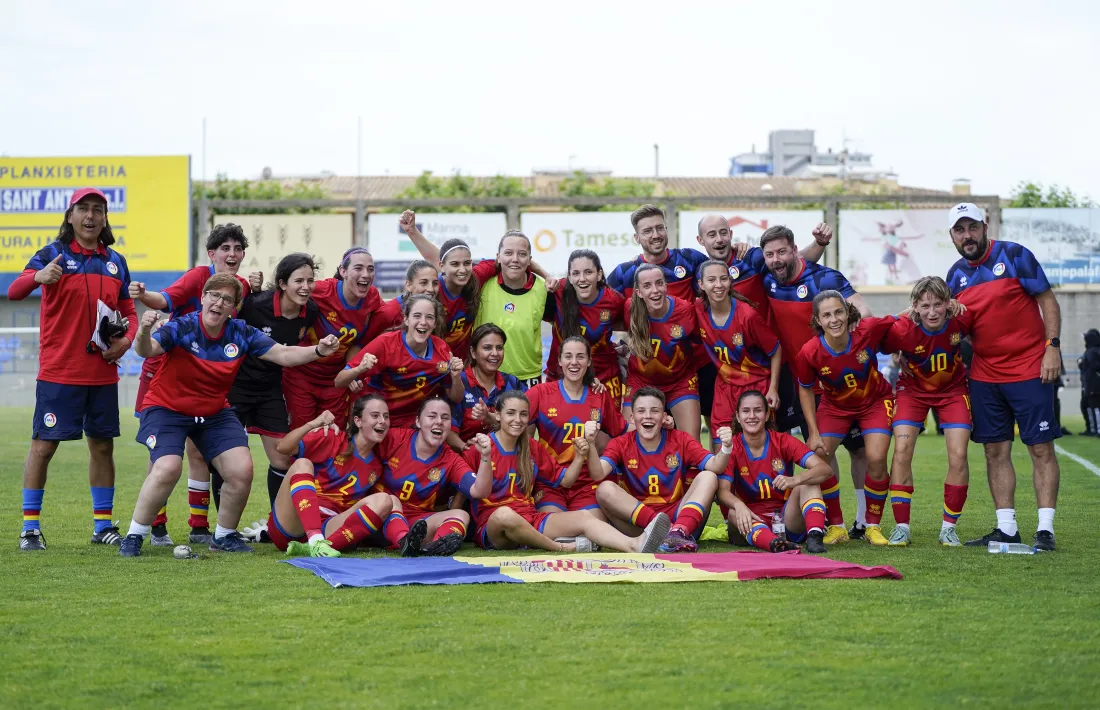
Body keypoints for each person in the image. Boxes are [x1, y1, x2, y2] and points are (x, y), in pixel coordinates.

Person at [119, 274, 340, 557]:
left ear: (234, 308)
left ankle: (223, 535)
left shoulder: (241, 332)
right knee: (168, 467)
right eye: (214, 295)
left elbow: (283, 355)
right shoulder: (183, 326)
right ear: (203, 298)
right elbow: (147, 349)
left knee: (241, 469)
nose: (219, 303)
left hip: (213, 412)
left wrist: (318, 350)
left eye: (227, 299)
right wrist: (143, 331)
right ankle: (134, 535)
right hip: (166, 408)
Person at [9, 188, 138, 551]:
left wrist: (126, 342)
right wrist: (38, 277)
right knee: (43, 447)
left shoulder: (116, 261)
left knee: (102, 447)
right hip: (59, 372)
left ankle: (102, 526)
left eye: (98, 210)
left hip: (102, 373)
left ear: (105, 218)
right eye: (83, 209)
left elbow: (129, 312)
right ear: (70, 216)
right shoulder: (51, 254)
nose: (91, 216)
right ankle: (30, 529)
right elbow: (15, 291)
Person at [129, 223, 261, 545]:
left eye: (237, 248)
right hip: (164, 368)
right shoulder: (197, 276)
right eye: (225, 248)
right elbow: (164, 299)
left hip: (206, 376)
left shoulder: (242, 286)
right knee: (162, 454)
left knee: (199, 450)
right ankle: (155, 525)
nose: (232, 254)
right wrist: (143, 295)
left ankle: (199, 527)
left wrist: (258, 287)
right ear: (211, 254)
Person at [945, 202, 1062, 551]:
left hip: (1030, 368)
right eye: (959, 230)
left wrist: (1052, 347)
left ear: (985, 226)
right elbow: (956, 325)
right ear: (952, 236)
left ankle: (1045, 529)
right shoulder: (954, 276)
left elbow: (1048, 301)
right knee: (995, 450)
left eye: (972, 227)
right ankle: (1006, 528)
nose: (967, 235)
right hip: (985, 375)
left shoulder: (1014, 255)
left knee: (1040, 448)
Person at [761, 224, 872, 543]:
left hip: (840, 381)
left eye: (782, 251)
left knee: (859, 450)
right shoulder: (768, 279)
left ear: (795, 250)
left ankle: (863, 521)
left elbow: (863, 312)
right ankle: (834, 524)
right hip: (804, 384)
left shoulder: (825, 279)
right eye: (770, 254)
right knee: (821, 452)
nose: (776, 259)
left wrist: (847, 348)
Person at [461, 391, 670, 553]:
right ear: (497, 415)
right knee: (504, 514)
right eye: (511, 413)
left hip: (530, 519)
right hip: (493, 527)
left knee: (584, 517)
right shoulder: (479, 448)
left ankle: (634, 544)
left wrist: (579, 456)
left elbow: (566, 480)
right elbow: (463, 490)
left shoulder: (532, 447)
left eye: (523, 414)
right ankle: (561, 547)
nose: (518, 419)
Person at [693, 215, 830, 440]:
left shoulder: (751, 258)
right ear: (701, 240)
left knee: (776, 432)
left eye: (723, 233)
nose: (719, 239)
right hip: (729, 370)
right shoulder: (698, 269)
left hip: (770, 362)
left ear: (731, 234)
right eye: (712, 235)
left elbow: (796, 261)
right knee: (723, 434)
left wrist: (820, 243)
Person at [229, 253, 321, 541]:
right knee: (229, 459)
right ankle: (224, 530)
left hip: (270, 389)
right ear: (282, 283)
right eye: (298, 281)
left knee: (282, 458)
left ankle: (276, 526)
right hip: (235, 386)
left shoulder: (311, 311)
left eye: (310, 280)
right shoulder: (256, 304)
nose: (305, 287)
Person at [794, 290, 897, 546]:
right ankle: (836, 526)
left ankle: (872, 526)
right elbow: (805, 389)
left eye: (839, 312)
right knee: (819, 457)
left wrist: (931, 307)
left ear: (847, 312)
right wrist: (813, 432)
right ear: (818, 320)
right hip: (835, 407)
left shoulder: (867, 330)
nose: (834, 320)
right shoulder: (809, 352)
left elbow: (900, 318)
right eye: (827, 315)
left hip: (875, 402)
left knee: (876, 457)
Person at [269, 397, 427, 558]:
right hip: (294, 523)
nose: (382, 421)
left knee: (387, 500)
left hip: (330, 526)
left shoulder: (377, 465)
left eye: (386, 416)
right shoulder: (332, 438)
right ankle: (314, 540)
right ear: (358, 421)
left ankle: (404, 542)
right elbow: (283, 447)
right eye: (375, 415)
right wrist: (313, 424)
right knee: (302, 464)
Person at [882, 276, 973, 546]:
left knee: (959, 454)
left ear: (948, 303)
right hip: (912, 392)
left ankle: (949, 528)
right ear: (915, 307)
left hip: (953, 391)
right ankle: (901, 527)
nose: (932, 312)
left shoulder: (962, 318)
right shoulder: (902, 329)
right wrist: (897, 354)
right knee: (901, 450)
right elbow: (876, 338)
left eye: (937, 305)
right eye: (925, 306)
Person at [593, 387, 733, 553]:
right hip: (640, 528)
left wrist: (726, 447)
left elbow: (716, 466)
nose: (648, 416)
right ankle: (667, 533)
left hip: (682, 521)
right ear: (632, 418)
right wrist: (589, 443)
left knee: (709, 476)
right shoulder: (620, 443)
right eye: (641, 411)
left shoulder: (681, 439)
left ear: (664, 417)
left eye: (655, 411)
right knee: (604, 489)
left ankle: (678, 532)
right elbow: (598, 473)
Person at [717, 390, 831, 553]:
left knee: (808, 482)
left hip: (786, 519)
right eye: (746, 411)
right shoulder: (732, 448)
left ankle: (815, 536)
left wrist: (795, 480)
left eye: (758, 410)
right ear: (738, 416)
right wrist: (738, 505)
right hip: (751, 519)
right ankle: (774, 544)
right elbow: (722, 492)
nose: (752, 416)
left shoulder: (782, 441)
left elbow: (825, 469)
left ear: (767, 415)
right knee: (733, 513)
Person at [282, 247, 382, 430]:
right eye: (358, 268)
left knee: (333, 437)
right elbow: (284, 297)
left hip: (335, 381)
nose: (366, 274)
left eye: (370, 269)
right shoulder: (322, 290)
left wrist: (351, 369)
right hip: (301, 376)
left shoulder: (373, 298)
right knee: (301, 436)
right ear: (343, 271)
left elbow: (361, 341)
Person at [528, 336, 629, 516]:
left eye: (580, 356)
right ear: (559, 361)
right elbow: (511, 422)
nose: (574, 362)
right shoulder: (540, 393)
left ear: (589, 361)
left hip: (587, 484)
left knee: (593, 526)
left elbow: (621, 431)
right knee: (557, 525)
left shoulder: (599, 395)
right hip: (551, 483)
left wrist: (661, 423)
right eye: (568, 356)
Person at [336, 295, 465, 427]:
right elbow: (339, 381)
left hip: (414, 423)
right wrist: (359, 369)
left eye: (429, 317)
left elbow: (456, 398)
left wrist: (456, 377)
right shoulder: (385, 344)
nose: (423, 322)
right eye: (417, 316)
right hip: (379, 420)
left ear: (435, 323)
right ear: (406, 319)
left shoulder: (442, 350)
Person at [373, 397, 477, 556]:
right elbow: (361, 443)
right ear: (418, 421)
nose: (439, 422)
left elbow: (477, 491)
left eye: (445, 418)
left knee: (461, 515)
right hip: (381, 519)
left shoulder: (450, 458)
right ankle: (404, 542)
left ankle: (432, 548)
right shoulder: (394, 438)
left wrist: (485, 457)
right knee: (391, 500)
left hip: (417, 526)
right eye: (432, 416)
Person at [695, 260, 781, 432]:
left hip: (756, 384)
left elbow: (776, 349)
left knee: (758, 442)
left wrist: (773, 389)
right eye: (711, 280)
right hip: (725, 386)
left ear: (730, 281)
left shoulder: (747, 316)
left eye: (723, 278)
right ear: (701, 284)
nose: (718, 285)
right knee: (722, 440)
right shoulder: (698, 308)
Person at [623, 264, 702, 438]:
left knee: (691, 441)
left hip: (679, 382)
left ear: (666, 285)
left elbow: (703, 340)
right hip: (640, 381)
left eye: (659, 283)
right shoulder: (630, 308)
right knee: (628, 439)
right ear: (638, 292)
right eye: (647, 286)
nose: (655, 290)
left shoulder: (685, 310)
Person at [544, 249, 628, 407]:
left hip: (604, 376)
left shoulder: (613, 300)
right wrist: (544, 273)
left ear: (599, 274)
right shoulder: (557, 291)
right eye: (575, 273)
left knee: (609, 423)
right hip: (561, 376)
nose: (582, 279)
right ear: (569, 277)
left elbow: (630, 325)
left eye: (588, 272)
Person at [472, 230, 555, 386]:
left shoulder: (543, 290)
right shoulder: (481, 284)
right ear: (498, 257)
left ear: (530, 260)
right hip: (484, 375)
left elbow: (560, 327)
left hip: (527, 377)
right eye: (508, 253)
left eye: (522, 254)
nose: (515, 259)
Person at [449, 323, 525, 450]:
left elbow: (526, 420)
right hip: (466, 456)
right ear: (473, 352)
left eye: (499, 348)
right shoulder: (459, 381)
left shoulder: (511, 383)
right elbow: (448, 430)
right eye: (487, 348)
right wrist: (465, 447)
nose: (495, 353)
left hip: (504, 455)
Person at [363, 259, 443, 341]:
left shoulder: (437, 310)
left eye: (435, 283)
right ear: (408, 285)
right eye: (423, 283)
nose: (431, 289)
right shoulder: (388, 313)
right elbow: (363, 344)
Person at [1080, 329, 1100, 436]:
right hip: (1089, 384)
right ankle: (1092, 429)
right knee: (1088, 406)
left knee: (1094, 407)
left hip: (1093, 385)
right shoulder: (1091, 351)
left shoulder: (1092, 352)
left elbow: (1094, 366)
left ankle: (1096, 430)